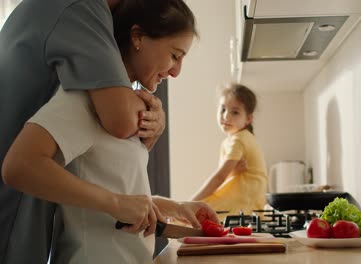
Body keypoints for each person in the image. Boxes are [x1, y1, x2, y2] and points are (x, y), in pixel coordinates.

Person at [1, 0, 218, 263]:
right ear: (137, 37)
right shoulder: (81, 100)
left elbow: (114, 194)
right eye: (175, 55)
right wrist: (117, 204)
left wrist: (175, 207)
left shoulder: (124, 105)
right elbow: (19, 166)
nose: (176, 71)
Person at [191, 83, 268, 217]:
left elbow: (219, 177)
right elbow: (230, 175)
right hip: (249, 202)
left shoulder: (238, 140)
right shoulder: (239, 139)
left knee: (192, 214)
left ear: (248, 119)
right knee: (196, 212)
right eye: (222, 109)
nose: (226, 116)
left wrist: (190, 202)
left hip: (243, 202)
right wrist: (233, 172)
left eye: (235, 112)